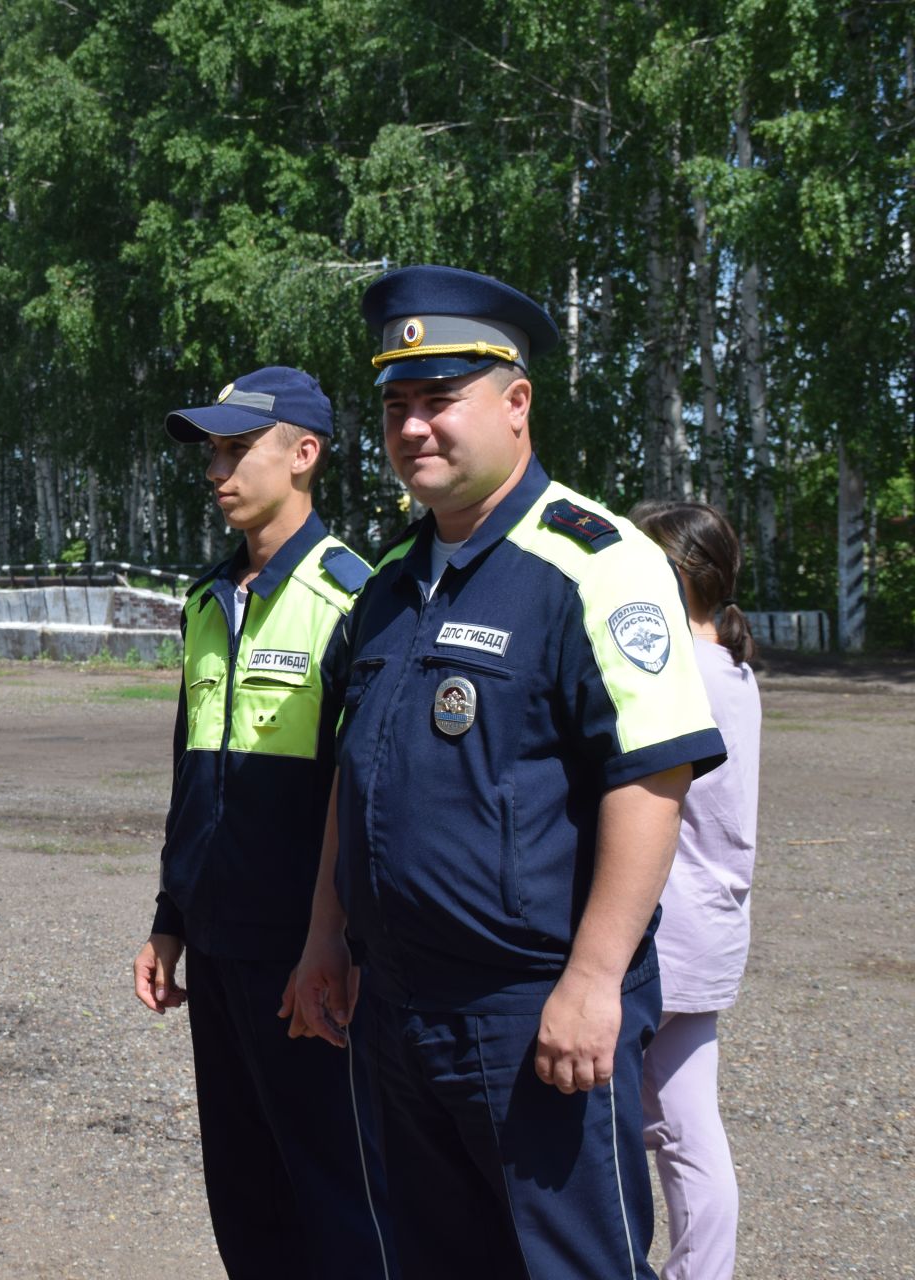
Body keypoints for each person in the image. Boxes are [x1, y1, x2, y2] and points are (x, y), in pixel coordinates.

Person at [287, 265, 727, 1279]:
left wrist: (593, 980)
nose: (413, 428)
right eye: (397, 404)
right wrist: (324, 935)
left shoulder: (598, 561)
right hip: (396, 1006)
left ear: (516, 401)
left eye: (440, 399)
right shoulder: (391, 585)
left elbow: (651, 780)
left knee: (571, 1264)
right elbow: (356, 777)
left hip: (531, 1010)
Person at [129, 369, 391, 1277]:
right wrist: (170, 919)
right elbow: (189, 772)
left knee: (334, 1189)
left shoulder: (356, 596)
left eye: (240, 450)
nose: (219, 471)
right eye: (214, 453)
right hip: (219, 939)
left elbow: (361, 792)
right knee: (241, 1189)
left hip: (307, 952)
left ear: (305, 454)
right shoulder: (209, 600)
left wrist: (340, 942)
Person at [630, 501, 762, 1280]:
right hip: (709, 925)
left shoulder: (678, 673)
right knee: (687, 1122)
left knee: (625, 1119)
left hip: (666, 928)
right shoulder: (734, 667)